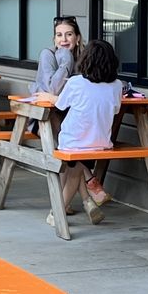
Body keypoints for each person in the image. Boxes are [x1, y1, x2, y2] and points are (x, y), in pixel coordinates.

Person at [51, 39, 122, 227]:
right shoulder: (117, 85)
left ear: (85, 60)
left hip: (73, 142)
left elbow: (60, 105)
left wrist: (47, 96)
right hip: (101, 142)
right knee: (74, 166)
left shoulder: (76, 82)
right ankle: (88, 202)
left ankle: (56, 213)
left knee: (73, 172)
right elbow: (116, 110)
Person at [37, 15, 82, 95]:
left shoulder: (85, 56)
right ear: (54, 39)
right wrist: (67, 57)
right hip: (49, 103)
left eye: (69, 34)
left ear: (77, 38)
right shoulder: (47, 54)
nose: (64, 39)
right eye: (59, 35)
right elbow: (53, 90)